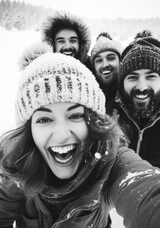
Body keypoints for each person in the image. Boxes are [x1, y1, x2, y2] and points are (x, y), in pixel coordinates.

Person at [1, 45, 160, 228]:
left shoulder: (110, 162)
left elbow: (146, 192)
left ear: (94, 122)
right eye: (44, 119)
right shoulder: (19, 165)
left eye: (76, 116)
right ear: (28, 131)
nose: (61, 135)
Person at [106, 36, 160, 168]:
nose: (142, 87)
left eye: (151, 77)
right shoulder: (106, 116)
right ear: (122, 83)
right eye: (133, 78)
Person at [90, 32, 123, 102]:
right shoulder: (89, 97)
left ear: (120, 62)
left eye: (111, 58)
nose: (105, 65)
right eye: (99, 60)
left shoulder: (129, 93)